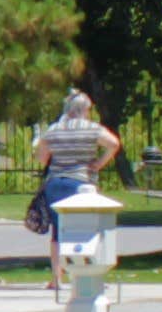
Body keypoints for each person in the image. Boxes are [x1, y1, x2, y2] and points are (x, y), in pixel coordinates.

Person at [28, 86, 124, 274]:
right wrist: (98, 163)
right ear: (83, 110)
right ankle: (84, 273)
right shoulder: (92, 128)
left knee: (58, 232)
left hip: (55, 183)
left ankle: (56, 278)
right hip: (81, 183)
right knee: (84, 229)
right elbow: (114, 143)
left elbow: (42, 157)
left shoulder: (54, 129)